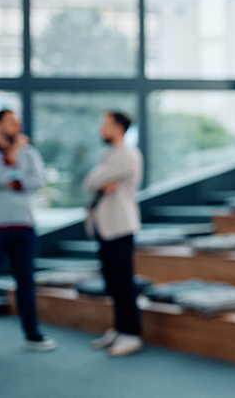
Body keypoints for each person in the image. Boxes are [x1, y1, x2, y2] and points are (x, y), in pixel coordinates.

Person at [0, 109, 57, 361]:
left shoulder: (31, 153)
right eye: (11, 121)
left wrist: (11, 180)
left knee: (26, 283)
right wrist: (14, 160)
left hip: (24, 227)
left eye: (19, 121)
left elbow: (36, 181)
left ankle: (32, 335)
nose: (17, 125)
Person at [82, 111, 144, 357]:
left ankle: (131, 335)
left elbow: (89, 183)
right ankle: (120, 329)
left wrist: (98, 180)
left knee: (124, 283)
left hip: (120, 227)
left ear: (118, 128)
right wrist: (99, 181)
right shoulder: (109, 155)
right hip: (105, 227)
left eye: (105, 124)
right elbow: (90, 182)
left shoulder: (127, 155)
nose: (101, 128)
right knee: (113, 283)